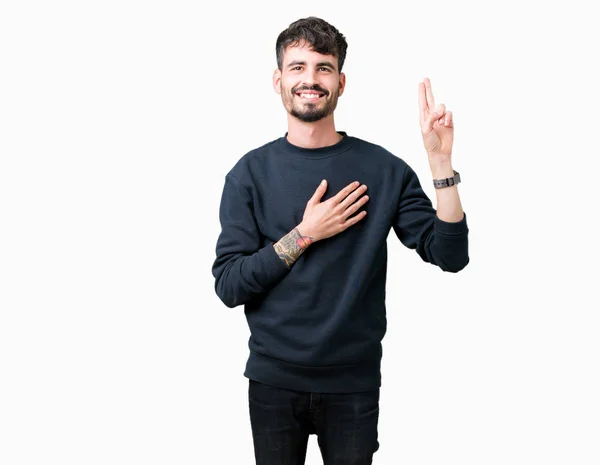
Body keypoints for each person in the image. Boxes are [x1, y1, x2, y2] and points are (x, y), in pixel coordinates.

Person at [211, 16, 469, 465]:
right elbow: (230, 285)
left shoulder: (384, 170)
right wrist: (305, 233)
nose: (310, 79)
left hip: (353, 385)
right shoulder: (248, 174)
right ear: (278, 80)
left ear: (341, 82)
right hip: (273, 383)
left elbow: (450, 254)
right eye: (298, 67)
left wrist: (440, 162)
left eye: (323, 68)